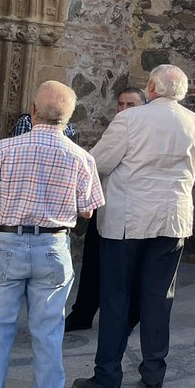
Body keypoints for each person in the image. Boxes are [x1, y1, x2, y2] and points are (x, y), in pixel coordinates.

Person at [0, 81, 104, 388]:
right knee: (48, 331)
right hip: (53, 246)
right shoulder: (81, 157)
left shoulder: (1, 149)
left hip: (6, 241)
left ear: (33, 109)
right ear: (68, 117)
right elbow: (88, 209)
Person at [72, 64, 195, 388]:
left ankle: (107, 375)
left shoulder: (130, 119)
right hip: (172, 218)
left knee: (116, 297)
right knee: (159, 297)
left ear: (151, 87)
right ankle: (153, 374)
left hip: (127, 220)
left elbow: (98, 163)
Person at [64, 86, 147, 330]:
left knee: (129, 268)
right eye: (120, 104)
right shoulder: (118, 128)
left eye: (130, 105)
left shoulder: (140, 131)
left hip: (131, 210)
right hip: (105, 206)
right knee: (93, 263)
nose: (122, 109)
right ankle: (83, 313)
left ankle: (129, 316)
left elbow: (97, 162)